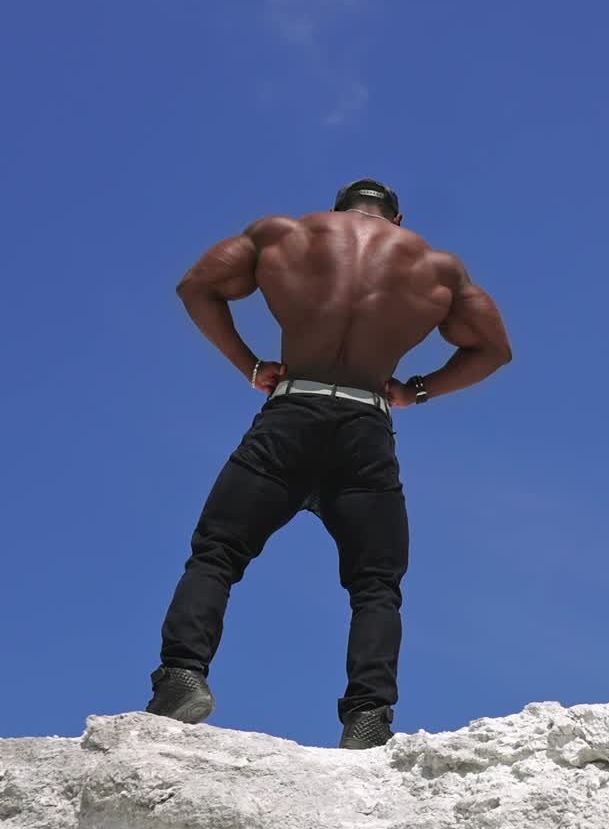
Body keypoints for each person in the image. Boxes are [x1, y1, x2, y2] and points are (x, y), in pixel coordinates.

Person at [146, 179, 512, 749]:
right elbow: (493, 348)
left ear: (338, 209)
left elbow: (197, 286)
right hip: (365, 426)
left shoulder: (284, 234)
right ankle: (367, 718)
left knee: (217, 552)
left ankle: (181, 678)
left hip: (290, 412)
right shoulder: (437, 267)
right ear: (396, 218)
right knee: (375, 585)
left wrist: (250, 365)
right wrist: (417, 390)